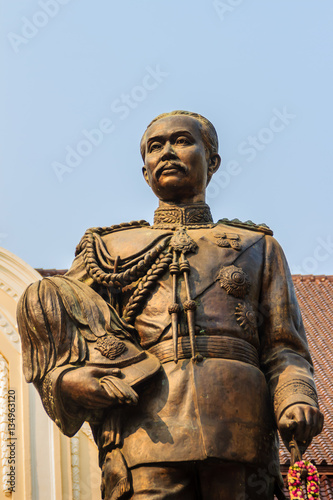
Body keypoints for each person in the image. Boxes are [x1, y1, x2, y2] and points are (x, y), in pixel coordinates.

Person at [17, 111, 323, 500]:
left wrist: (296, 395)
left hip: (241, 423)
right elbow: (58, 318)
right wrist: (70, 379)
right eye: (155, 146)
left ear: (212, 160)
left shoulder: (258, 247)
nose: (167, 153)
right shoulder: (110, 250)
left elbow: (285, 346)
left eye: (181, 141)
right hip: (146, 426)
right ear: (145, 172)